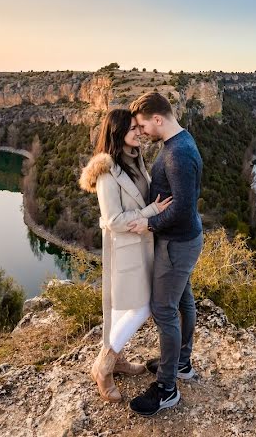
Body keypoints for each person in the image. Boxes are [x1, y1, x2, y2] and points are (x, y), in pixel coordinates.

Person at [78, 108, 173, 402]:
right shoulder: (107, 174)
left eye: (138, 127)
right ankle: (103, 366)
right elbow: (115, 219)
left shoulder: (134, 162)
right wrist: (151, 212)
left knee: (122, 310)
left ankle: (116, 360)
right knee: (142, 307)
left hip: (142, 245)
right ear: (118, 133)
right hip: (126, 250)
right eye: (133, 128)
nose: (139, 132)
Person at [126, 91, 203, 417]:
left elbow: (183, 208)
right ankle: (181, 362)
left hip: (176, 243)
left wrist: (149, 224)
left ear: (158, 119)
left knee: (164, 309)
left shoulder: (176, 155)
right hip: (183, 240)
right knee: (183, 300)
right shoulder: (181, 143)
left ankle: (167, 388)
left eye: (143, 125)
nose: (142, 131)